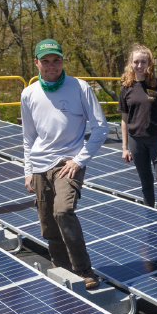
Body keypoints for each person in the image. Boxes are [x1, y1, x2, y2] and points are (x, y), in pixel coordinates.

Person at [20, 39, 107, 289]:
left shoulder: (79, 88)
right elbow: (28, 137)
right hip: (39, 166)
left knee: (62, 212)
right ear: (36, 63)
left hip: (68, 163)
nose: (51, 66)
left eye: (56, 60)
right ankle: (62, 268)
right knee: (48, 222)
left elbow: (100, 128)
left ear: (62, 61)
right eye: (45, 61)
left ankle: (83, 269)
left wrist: (79, 160)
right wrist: (28, 171)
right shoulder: (29, 93)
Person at [118, 44, 157, 213]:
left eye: (143, 62)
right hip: (136, 141)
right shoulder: (126, 88)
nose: (139, 66)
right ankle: (151, 217)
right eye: (136, 62)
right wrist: (124, 148)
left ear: (149, 63)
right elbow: (124, 120)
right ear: (131, 63)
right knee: (145, 182)